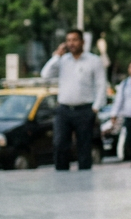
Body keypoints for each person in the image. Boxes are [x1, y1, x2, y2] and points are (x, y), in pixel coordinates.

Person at [41, 29, 107, 171]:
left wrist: (95, 108)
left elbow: (101, 85)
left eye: (75, 40)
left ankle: (84, 180)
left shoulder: (93, 60)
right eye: (68, 40)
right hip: (64, 109)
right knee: (59, 143)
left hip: (84, 109)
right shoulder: (62, 60)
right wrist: (56, 56)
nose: (71, 43)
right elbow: (45, 75)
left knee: (84, 146)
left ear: (82, 42)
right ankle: (61, 177)